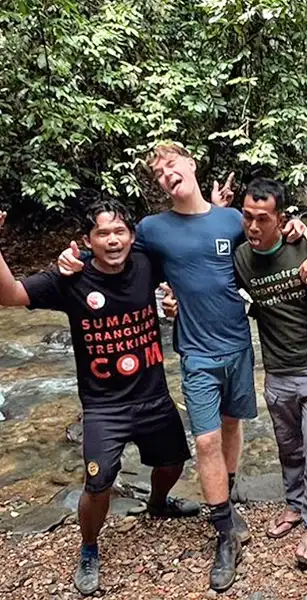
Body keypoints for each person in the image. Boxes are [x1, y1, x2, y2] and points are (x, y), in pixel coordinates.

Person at [57, 143, 307, 592]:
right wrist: (73, 264)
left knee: (232, 426)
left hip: (238, 344)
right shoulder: (152, 229)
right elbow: (119, 260)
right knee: (206, 440)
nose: (166, 175)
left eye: (171, 165)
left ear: (191, 164)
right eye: (158, 174)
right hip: (196, 352)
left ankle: (225, 499)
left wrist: (295, 229)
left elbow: (264, 246)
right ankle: (224, 533)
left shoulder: (233, 220)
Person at [0, 200, 196, 596]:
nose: (113, 240)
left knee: (173, 462)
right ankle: (89, 546)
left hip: (154, 393)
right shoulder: (69, 277)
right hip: (104, 404)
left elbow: (189, 259)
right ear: (88, 241)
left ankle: (158, 503)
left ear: (132, 236)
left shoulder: (146, 263)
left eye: (119, 231)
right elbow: (10, 296)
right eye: (103, 234)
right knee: (98, 484)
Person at [166, 178, 307, 566]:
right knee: (290, 450)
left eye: (264, 219)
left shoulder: (305, 245)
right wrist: (178, 302)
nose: (254, 227)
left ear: (282, 219)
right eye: (247, 217)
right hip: (276, 370)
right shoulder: (241, 257)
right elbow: (214, 286)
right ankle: (295, 507)